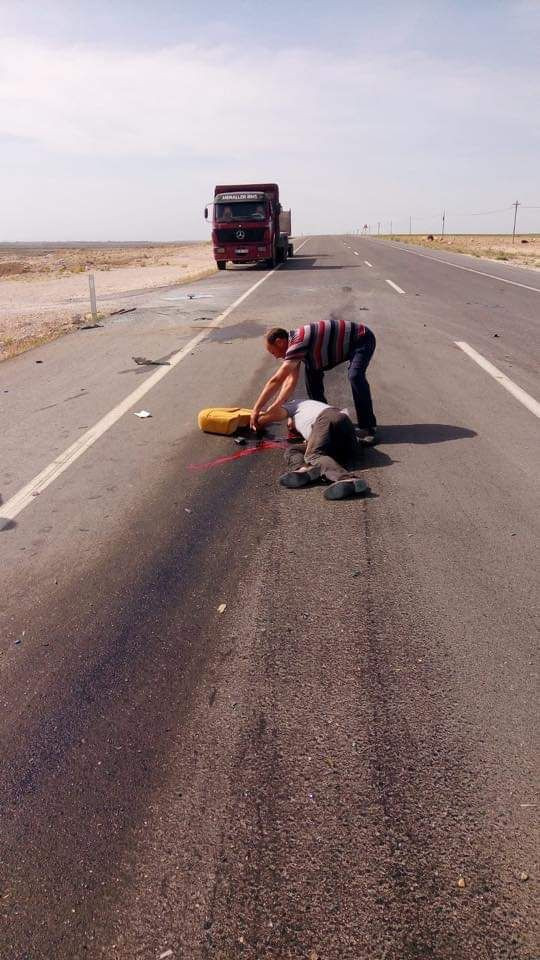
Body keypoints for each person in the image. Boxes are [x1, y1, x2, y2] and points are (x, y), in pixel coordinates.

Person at [250, 317, 378, 444]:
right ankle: (325, 420)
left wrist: (256, 409)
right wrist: (277, 406)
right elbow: (290, 381)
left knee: (355, 376)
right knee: (312, 377)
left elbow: (276, 380)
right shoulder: (293, 344)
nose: (276, 357)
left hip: (362, 339)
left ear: (279, 342)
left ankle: (368, 427)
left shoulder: (297, 344)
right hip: (334, 348)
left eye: (273, 352)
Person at [257, 395, 371, 501]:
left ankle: (346, 478)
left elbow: (277, 413)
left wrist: (256, 421)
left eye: (289, 427)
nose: (289, 428)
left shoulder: (294, 405)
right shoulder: (310, 421)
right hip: (345, 446)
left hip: (328, 417)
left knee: (312, 455)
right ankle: (305, 469)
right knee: (293, 450)